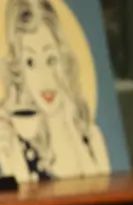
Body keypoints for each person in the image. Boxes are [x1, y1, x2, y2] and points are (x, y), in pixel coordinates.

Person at [1, 0, 110, 182]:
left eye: (51, 59)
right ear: (19, 69)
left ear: (63, 59)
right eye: (30, 62)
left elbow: (105, 189)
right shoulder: (17, 144)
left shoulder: (92, 137)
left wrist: (70, 127)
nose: (45, 79)